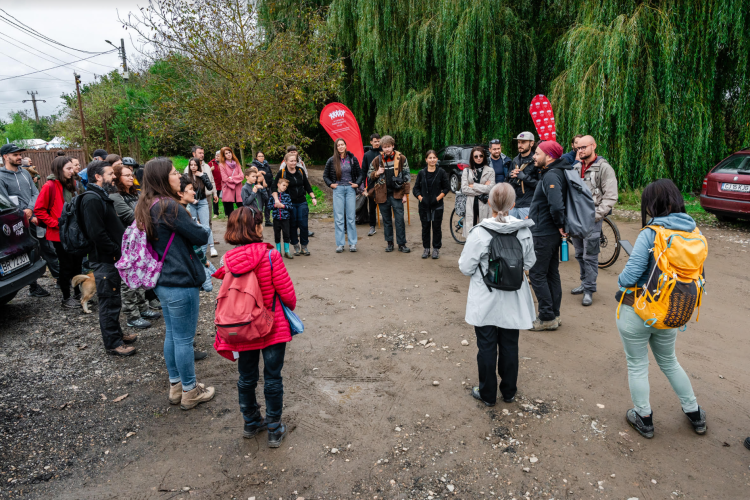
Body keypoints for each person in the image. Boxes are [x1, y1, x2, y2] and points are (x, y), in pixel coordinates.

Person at [615, 179, 706, 439]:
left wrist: (622, 278)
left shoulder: (651, 233)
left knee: (637, 365)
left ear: (651, 204)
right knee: (669, 361)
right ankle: (695, 413)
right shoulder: (695, 233)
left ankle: (643, 417)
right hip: (672, 311)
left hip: (639, 309)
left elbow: (629, 277)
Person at [212, 206, 297, 447]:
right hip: (271, 327)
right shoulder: (270, 256)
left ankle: (250, 422)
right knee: (272, 377)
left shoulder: (227, 260)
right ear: (256, 227)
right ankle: (273, 428)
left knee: (246, 377)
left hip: (242, 328)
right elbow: (288, 295)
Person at [134, 157, 214, 409]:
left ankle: (176, 386)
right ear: (161, 178)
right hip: (180, 279)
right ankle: (190, 391)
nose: (178, 175)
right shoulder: (170, 206)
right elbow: (200, 235)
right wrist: (197, 224)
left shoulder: (147, 203)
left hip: (162, 280)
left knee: (172, 335)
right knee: (183, 339)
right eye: (173, 173)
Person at [459, 183, 536, 406]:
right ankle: (509, 391)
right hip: (513, 298)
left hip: (486, 299)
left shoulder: (480, 233)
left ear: (490, 203)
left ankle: (487, 394)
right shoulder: (523, 231)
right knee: (510, 345)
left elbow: (465, 268)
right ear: (513, 204)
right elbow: (529, 262)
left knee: (486, 346)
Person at [81, 160, 134, 355]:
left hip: (111, 258)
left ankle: (117, 334)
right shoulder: (92, 199)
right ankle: (113, 343)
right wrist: (114, 250)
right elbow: (97, 233)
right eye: (111, 173)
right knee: (108, 302)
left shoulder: (101, 196)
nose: (114, 177)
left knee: (114, 298)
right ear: (98, 176)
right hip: (105, 259)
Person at [527, 141, 574, 331]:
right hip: (551, 232)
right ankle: (555, 314)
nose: (534, 157)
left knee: (537, 274)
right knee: (551, 273)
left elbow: (556, 206)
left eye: (537, 153)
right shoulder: (558, 172)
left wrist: (560, 223)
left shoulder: (551, 175)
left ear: (550, 156)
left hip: (544, 233)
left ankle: (546, 317)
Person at [111, 163, 161, 329]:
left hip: (141, 242)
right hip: (127, 243)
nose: (131, 177)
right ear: (117, 178)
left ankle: (143, 307)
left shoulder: (136, 194)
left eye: (131, 174)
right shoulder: (115, 197)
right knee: (128, 281)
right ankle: (132, 315)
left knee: (140, 274)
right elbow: (130, 215)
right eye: (126, 175)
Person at [570, 135, 618, 306]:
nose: (580, 150)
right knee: (579, 254)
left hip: (592, 220)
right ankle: (584, 283)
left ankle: (589, 289)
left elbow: (611, 197)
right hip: (576, 220)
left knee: (590, 256)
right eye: (578, 148)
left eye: (584, 147)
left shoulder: (604, 168)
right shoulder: (575, 168)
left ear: (593, 146)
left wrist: (595, 216)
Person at [0, 143, 50, 297]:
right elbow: (5, 201)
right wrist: (21, 213)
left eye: (20, 154)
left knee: (41, 247)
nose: (19, 157)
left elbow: (35, 193)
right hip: (14, 221)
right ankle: (33, 286)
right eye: (15, 155)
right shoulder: (1, 176)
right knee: (21, 251)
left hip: (31, 216)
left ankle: (52, 278)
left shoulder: (25, 173)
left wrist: (29, 209)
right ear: (5, 157)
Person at [33, 156, 83, 309]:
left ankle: (77, 293)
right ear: (59, 170)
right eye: (68, 168)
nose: (72, 171)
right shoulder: (49, 186)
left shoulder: (72, 184)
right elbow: (39, 210)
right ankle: (66, 297)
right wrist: (56, 224)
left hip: (74, 232)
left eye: (71, 168)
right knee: (66, 265)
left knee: (77, 265)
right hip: (59, 234)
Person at [366, 135, 411, 253]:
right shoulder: (377, 160)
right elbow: (369, 175)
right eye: (384, 147)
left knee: (399, 220)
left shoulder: (401, 158)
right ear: (382, 147)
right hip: (382, 195)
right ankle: (389, 243)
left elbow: (407, 177)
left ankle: (402, 244)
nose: (387, 149)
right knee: (386, 220)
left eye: (389, 147)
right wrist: (377, 173)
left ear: (393, 146)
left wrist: (405, 194)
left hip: (397, 194)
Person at [271, 151, 317, 256]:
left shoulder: (300, 171)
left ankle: (304, 247)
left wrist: (313, 197)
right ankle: (296, 246)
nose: (293, 163)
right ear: (286, 161)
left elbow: (307, 185)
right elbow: (273, 186)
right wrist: (276, 200)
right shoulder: (282, 173)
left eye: (295, 161)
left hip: (302, 202)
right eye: (291, 161)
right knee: (292, 225)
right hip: (289, 204)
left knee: (304, 225)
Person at [324, 138, 363, 253]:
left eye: (342, 144)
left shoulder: (352, 159)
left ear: (346, 146)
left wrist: (357, 184)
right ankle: (340, 244)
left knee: (351, 218)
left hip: (350, 189)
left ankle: (352, 243)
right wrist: (331, 184)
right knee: (339, 218)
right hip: (338, 190)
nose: (340, 147)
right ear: (336, 148)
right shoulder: (331, 161)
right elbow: (325, 176)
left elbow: (360, 174)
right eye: (338, 145)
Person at [412, 149, 450, 259]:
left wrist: (437, 198)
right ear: (426, 159)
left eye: (434, 158)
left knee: (437, 227)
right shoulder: (421, 173)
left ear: (437, 159)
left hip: (437, 205)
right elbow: (415, 189)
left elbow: (446, 188)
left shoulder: (441, 172)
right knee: (425, 227)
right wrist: (421, 198)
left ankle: (436, 249)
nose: (432, 160)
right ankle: (426, 248)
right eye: (430, 158)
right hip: (424, 205)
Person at [185, 157, 218, 257]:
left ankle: (212, 247)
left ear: (198, 166)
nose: (193, 167)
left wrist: (202, 176)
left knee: (206, 225)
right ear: (189, 166)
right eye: (191, 165)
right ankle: (196, 249)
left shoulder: (203, 174)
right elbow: (183, 189)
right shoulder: (186, 176)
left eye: (195, 165)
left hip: (202, 202)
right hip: (192, 203)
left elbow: (210, 187)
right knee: (194, 225)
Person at [278, 145, 314, 237]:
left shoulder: (301, 162)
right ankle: (292, 232)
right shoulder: (283, 164)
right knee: (292, 217)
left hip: (300, 191)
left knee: (302, 215)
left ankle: (303, 230)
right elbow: (281, 179)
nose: (293, 153)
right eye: (291, 151)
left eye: (294, 151)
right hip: (289, 194)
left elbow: (305, 173)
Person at [461, 145, 495, 237]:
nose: (478, 158)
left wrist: (474, 186)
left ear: (484, 156)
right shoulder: (467, 171)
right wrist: (483, 187)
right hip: (471, 204)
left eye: (481, 156)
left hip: (484, 204)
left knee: (483, 231)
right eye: (476, 156)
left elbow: (491, 188)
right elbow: (464, 189)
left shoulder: (490, 171)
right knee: (471, 231)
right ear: (472, 157)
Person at [508, 131, 540, 219]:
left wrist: (524, 177)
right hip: (514, 204)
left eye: (523, 142)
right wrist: (511, 176)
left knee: (528, 232)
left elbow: (540, 185)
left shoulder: (536, 161)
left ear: (532, 143)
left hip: (528, 205)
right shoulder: (515, 160)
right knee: (513, 231)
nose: (520, 145)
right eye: (518, 142)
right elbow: (507, 181)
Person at [362, 133, 382, 236]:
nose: (377, 143)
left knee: (385, 205)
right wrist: (362, 186)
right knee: (372, 206)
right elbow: (364, 171)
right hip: (371, 184)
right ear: (371, 142)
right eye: (375, 141)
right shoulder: (367, 155)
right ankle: (372, 226)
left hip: (383, 184)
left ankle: (388, 225)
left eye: (379, 141)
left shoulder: (384, 153)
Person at [268, 178, 293, 258]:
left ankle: (287, 251)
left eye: (286, 186)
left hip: (285, 219)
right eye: (283, 185)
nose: (285, 187)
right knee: (277, 235)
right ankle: (278, 251)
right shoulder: (273, 196)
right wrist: (274, 206)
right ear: (278, 185)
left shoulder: (287, 196)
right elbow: (268, 207)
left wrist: (283, 206)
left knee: (286, 234)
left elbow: (291, 207)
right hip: (276, 219)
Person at [219, 147, 243, 217]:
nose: (229, 154)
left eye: (229, 152)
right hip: (228, 190)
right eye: (226, 153)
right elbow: (225, 179)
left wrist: (232, 178)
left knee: (242, 209)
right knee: (230, 213)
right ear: (224, 156)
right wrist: (236, 179)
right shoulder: (222, 165)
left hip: (238, 189)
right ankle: (232, 227)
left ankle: (243, 226)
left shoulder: (237, 164)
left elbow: (242, 176)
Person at [251, 151, 274, 226]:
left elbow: (270, 175)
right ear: (256, 157)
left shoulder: (266, 165)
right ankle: (258, 220)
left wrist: (272, 184)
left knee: (268, 204)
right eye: (259, 156)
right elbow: (253, 176)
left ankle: (267, 220)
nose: (261, 157)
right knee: (259, 205)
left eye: (262, 156)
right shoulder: (254, 166)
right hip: (259, 188)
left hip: (268, 187)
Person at [209, 150, 223, 218]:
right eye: (216, 155)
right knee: (215, 199)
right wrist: (210, 169)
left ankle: (227, 213)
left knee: (225, 199)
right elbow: (206, 173)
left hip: (223, 184)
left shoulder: (224, 163)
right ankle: (216, 213)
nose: (216, 157)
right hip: (215, 185)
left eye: (218, 156)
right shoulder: (211, 163)